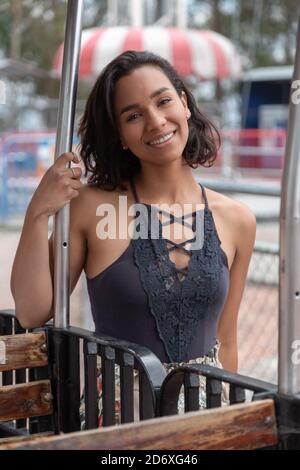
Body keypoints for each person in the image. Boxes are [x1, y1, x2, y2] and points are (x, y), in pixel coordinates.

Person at [11, 51, 256, 421]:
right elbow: (32, 310)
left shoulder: (238, 220)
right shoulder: (91, 208)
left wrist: (230, 427)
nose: (156, 122)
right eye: (133, 115)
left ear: (184, 104)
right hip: (118, 421)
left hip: (205, 423)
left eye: (163, 101)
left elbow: (228, 341)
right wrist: (38, 213)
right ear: (120, 135)